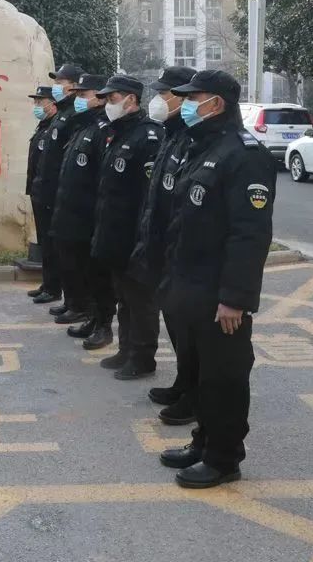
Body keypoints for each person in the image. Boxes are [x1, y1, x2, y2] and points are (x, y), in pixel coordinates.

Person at [155, 69, 276, 488]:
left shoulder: (245, 155)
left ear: (216, 104)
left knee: (224, 376)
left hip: (219, 292)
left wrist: (235, 298)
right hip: (190, 284)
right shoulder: (203, 146)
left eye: (194, 98)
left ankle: (224, 458)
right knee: (201, 373)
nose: (187, 105)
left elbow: (250, 234)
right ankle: (203, 441)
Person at [128, 66, 198, 426]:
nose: (158, 100)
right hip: (164, 251)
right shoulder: (172, 135)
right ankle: (183, 383)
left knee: (190, 331)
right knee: (175, 324)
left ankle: (194, 396)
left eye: (165, 94)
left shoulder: (193, 140)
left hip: (184, 255)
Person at [91, 74, 162, 380]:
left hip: (135, 235)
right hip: (115, 233)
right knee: (124, 296)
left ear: (131, 99)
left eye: (113, 98)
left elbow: (148, 195)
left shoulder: (148, 137)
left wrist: (142, 238)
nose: (108, 104)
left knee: (141, 299)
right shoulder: (118, 132)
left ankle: (142, 357)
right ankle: (126, 349)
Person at [48, 74, 113, 337]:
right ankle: (85, 313)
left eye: (84, 95)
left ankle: (100, 322)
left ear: (99, 98)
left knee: (94, 274)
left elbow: (102, 178)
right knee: (76, 266)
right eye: (77, 94)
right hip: (70, 211)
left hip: (87, 215)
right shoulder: (82, 126)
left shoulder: (102, 129)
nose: (78, 99)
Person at [28, 63, 85, 306]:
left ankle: (62, 292)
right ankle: (50, 285)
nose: (56, 87)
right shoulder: (59, 116)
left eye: (60, 82)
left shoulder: (72, 116)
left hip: (57, 193)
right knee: (48, 243)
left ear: (74, 86)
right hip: (43, 190)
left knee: (60, 247)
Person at [25, 85, 57, 300]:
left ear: (52, 104)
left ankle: (53, 288)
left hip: (48, 194)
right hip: (38, 191)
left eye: (40, 101)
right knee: (44, 242)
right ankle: (47, 284)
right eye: (35, 101)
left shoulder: (55, 128)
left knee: (52, 244)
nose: (36, 105)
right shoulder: (43, 127)